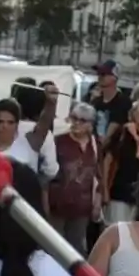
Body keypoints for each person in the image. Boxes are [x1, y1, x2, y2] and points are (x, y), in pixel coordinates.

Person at [47, 101, 101, 253]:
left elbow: (98, 173)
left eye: (82, 120)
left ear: (91, 124)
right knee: (53, 246)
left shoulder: (95, 144)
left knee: (76, 247)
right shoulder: (59, 140)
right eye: (74, 118)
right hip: (58, 203)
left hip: (82, 207)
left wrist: (97, 201)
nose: (76, 123)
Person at [100, 99, 139, 224]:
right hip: (118, 191)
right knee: (117, 229)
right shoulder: (122, 132)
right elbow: (108, 161)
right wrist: (105, 190)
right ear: (133, 113)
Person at [88, 59, 131, 140]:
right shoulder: (96, 102)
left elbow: (112, 132)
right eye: (99, 73)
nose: (100, 76)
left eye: (104, 74)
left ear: (114, 77)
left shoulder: (122, 101)